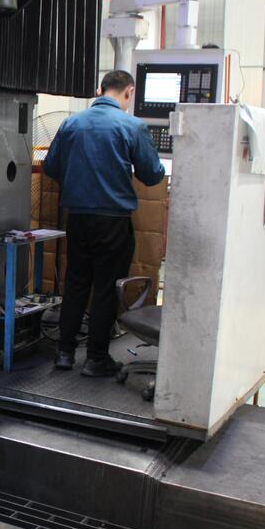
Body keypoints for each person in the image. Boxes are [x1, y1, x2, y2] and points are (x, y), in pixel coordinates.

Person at [42, 70, 165, 376]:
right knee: (107, 288)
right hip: (113, 221)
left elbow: (51, 166)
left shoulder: (71, 123)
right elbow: (152, 174)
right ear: (129, 92)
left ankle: (64, 353)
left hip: (77, 218)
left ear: (100, 90)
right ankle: (96, 359)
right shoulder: (132, 126)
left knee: (75, 283)